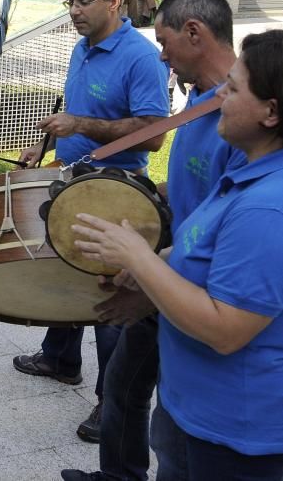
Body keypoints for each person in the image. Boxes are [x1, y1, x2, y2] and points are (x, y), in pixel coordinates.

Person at [71, 29, 283, 481]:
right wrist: (151, 272)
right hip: (196, 412)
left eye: (234, 88)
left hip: (236, 439)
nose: (219, 96)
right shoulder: (246, 176)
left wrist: (138, 256)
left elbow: (227, 330)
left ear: (271, 112)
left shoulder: (268, 207)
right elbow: (206, 256)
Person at [12, 0, 170, 444]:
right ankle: (60, 358)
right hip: (73, 179)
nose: (74, 10)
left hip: (116, 192)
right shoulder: (82, 47)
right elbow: (72, 104)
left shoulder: (140, 57)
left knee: (106, 296)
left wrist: (80, 126)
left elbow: (153, 136)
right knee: (66, 272)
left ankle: (111, 399)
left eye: (84, 1)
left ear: (114, 2)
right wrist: (46, 143)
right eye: (70, 1)